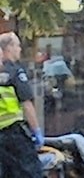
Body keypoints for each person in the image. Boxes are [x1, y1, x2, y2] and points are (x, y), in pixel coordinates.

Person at [0, 32, 43, 178]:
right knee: (31, 172)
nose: (20, 49)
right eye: (17, 46)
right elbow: (27, 104)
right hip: (14, 134)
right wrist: (36, 130)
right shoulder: (15, 72)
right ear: (9, 48)